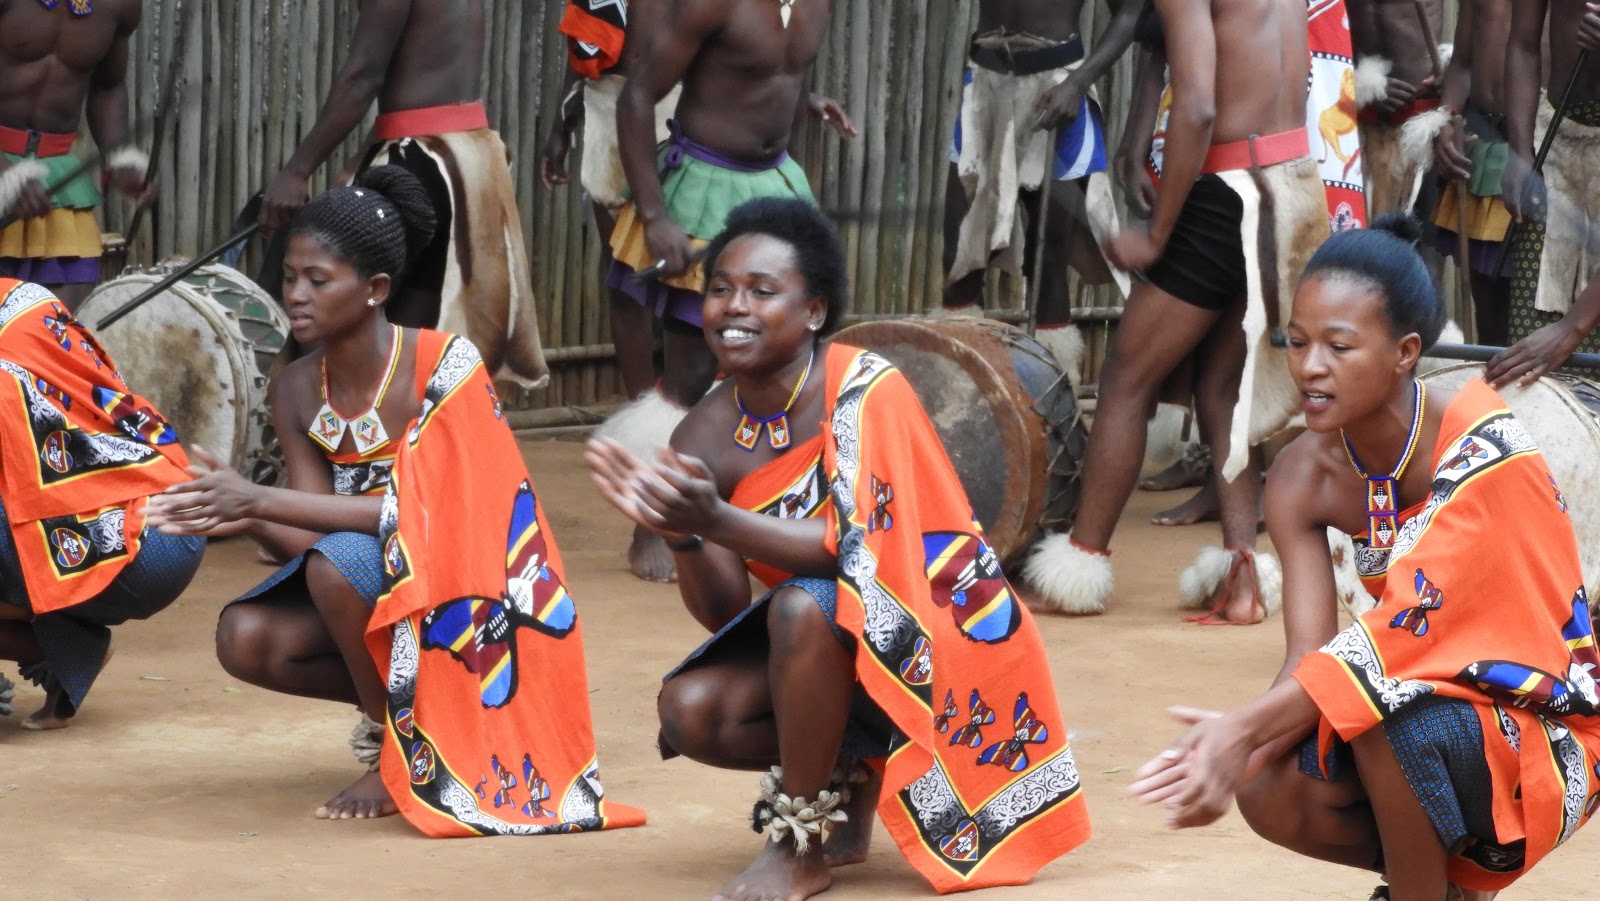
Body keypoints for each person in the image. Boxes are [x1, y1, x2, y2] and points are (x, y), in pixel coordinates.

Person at [587, 198, 1088, 900]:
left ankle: (798, 843)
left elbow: (857, 554)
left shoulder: (864, 388)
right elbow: (725, 609)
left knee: (801, 603)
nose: (735, 306)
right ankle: (849, 761)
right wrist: (682, 531)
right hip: (836, 647)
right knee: (691, 710)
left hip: (934, 638)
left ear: (814, 311)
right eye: (721, 288)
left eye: (763, 291)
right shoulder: (701, 434)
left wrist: (716, 517)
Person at [149, 167, 644, 835]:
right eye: (291, 276)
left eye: (317, 280)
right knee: (248, 636)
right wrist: (248, 511)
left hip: (479, 599)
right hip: (374, 583)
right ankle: (412, 726)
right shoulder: (296, 386)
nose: (295, 294)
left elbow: (436, 524)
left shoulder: (447, 367)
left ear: (376, 289)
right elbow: (314, 535)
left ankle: (399, 751)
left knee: (339, 564)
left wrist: (260, 496)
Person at [1130, 216, 1600, 901]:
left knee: (1382, 707)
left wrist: (1241, 729)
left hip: (1549, 733)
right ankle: (1436, 888)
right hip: (1422, 707)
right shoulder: (1299, 475)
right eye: (1298, 342)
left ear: (1405, 352)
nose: (1310, 366)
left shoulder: (1484, 449)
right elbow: (1308, 655)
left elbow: (1407, 639)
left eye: (1339, 346)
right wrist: (1238, 749)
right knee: (1268, 779)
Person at [1028, 0, 1327, 622]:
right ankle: (1242, 574)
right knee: (1222, 389)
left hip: (1226, 191)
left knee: (1126, 380)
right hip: (1291, 180)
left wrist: (1159, 233)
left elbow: (1196, 107)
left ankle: (1077, 568)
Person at [598, 0, 855, 585]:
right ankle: (656, 522)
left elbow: (776, 72)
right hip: (705, 186)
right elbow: (636, 95)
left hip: (775, 180)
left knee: (791, 360)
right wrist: (655, 213)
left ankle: (774, 512)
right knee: (690, 368)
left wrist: (803, 101)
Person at [257, 0, 548, 387]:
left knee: (360, 312)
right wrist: (361, 157)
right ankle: (415, 435)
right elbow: (419, 73)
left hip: (422, 160)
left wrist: (297, 172)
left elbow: (363, 77)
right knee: (424, 313)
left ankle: (339, 432)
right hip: (472, 154)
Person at [0, 277, 202, 729]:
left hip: (132, 542)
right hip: (172, 506)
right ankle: (65, 646)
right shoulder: (22, 297)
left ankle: (58, 645)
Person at [940, 0, 1138, 375]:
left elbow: (1129, 13)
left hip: (1059, 85)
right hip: (985, 82)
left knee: (1050, 252)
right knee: (960, 245)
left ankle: (1054, 391)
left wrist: (1077, 84)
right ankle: (957, 382)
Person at [540, 0, 681, 402]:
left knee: (690, 276)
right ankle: (642, 412)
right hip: (609, 104)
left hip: (682, 109)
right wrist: (560, 129)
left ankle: (688, 408)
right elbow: (587, 47)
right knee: (623, 274)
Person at [0, 0, 152, 310]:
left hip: (58, 181)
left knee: (60, 329)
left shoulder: (120, 5)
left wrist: (120, 157)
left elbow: (108, 86)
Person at [1495, 0, 1600, 367]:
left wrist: (1572, 327)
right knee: (1530, 351)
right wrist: (1521, 152)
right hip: (1556, 149)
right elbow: (1523, 44)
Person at [1431, 0, 1515, 348]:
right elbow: (1463, 62)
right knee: (1490, 313)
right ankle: (1496, 398)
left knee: (1536, 307)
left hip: (1543, 149)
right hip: (1481, 143)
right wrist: (1446, 118)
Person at [1347, 0, 1447, 219]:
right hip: (1352, 128)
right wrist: (1361, 88)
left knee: (1422, 243)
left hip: (1422, 125)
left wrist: (1454, 69)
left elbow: (1481, 19)